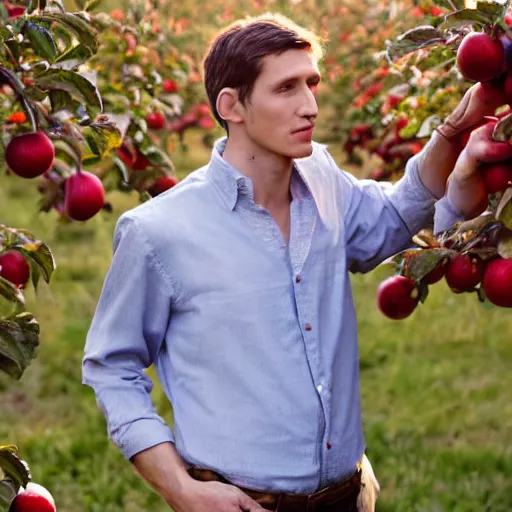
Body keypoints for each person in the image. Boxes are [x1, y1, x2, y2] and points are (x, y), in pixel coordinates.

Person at [82, 13, 512, 512]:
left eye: (311, 84)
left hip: (348, 498)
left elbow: (392, 218)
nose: (309, 105)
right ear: (231, 106)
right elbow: (113, 365)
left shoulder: (322, 177)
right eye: (286, 88)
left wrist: (453, 134)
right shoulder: (159, 232)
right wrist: (181, 488)